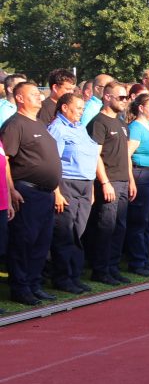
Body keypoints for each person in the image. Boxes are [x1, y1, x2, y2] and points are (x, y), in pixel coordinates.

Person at [1, 81, 64, 305]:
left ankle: (34, 284)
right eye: (34, 94)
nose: (39, 97)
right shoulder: (15, 125)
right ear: (19, 98)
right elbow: (5, 160)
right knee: (23, 242)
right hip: (27, 192)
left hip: (45, 193)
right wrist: (10, 190)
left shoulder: (38, 123)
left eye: (39, 93)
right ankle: (20, 288)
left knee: (41, 241)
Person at [47, 92, 103, 293]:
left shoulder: (79, 127)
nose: (81, 112)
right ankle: (62, 278)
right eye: (78, 108)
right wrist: (57, 191)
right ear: (64, 108)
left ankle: (74, 275)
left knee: (78, 231)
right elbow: (52, 163)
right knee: (65, 232)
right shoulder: (57, 129)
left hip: (85, 184)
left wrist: (92, 185)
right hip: (67, 183)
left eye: (82, 108)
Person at [85, 82, 134, 284]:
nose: (125, 101)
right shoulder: (99, 122)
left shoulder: (122, 123)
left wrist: (131, 180)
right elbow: (95, 155)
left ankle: (113, 267)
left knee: (119, 227)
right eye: (120, 97)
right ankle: (100, 269)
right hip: (109, 181)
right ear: (106, 97)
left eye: (126, 97)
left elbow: (126, 155)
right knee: (105, 227)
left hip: (123, 180)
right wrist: (105, 182)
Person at [124, 93, 149, 276]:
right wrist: (131, 180)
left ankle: (145, 259)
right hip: (142, 175)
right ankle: (137, 262)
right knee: (140, 221)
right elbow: (127, 154)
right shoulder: (136, 127)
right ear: (141, 108)